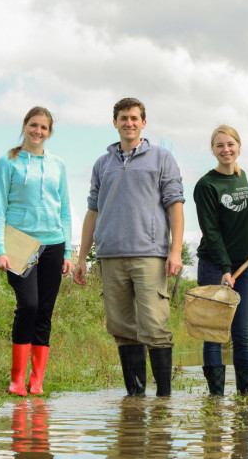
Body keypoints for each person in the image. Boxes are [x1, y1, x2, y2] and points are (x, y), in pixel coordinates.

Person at [73, 97, 184, 397]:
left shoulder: (162, 158)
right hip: (109, 256)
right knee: (122, 329)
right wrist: (82, 258)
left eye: (135, 118)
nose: (129, 122)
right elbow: (92, 211)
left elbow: (175, 206)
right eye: (123, 118)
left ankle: (163, 399)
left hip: (150, 255)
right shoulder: (102, 164)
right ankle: (134, 400)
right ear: (115, 123)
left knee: (154, 326)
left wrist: (175, 251)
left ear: (143, 123)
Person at [0, 106, 73, 396]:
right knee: (30, 305)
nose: (38, 131)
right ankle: (16, 379)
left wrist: (68, 253)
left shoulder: (58, 165)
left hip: (53, 243)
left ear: (49, 132)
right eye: (34, 125)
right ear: (24, 126)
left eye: (44, 128)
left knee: (45, 311)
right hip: (18, 244)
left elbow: (65, 211)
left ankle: (37, 381)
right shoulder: (8, 161)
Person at [194, 125, 248, 395]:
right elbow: (212, 231)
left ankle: (245, 403)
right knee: (214, 335)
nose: (226, 149)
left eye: (230, 144)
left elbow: (240, 221)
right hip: (215, 267)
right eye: (219, 145)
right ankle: (216, 402)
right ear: (213, 150)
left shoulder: (242, 177)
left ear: (239, 146)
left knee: (242, 336)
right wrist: (225, 270)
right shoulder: (206, 185)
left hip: (244, 267)